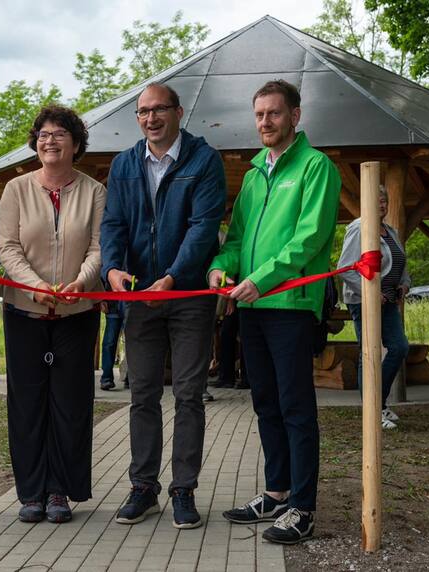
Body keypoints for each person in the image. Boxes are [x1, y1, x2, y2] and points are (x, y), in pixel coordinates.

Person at [209, 80, 341, 544]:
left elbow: (308, 239)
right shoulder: (250, 175)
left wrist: (260, 279)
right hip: (251, 305)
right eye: (260, 114)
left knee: (295, 407)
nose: (265, 122)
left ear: (295, 117)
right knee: (264, 402)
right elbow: (237, 236)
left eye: (275, 114)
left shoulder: (316, 167)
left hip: (289, 306)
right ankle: (277, 492)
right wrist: (220, 268)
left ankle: (303, 508)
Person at [101, 83, 225, 529]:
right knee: (142, 394)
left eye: (159, 110)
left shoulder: (203, 160)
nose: (151, 118)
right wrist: (112, 269)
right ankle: (143, 487)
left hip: (188, 295)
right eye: (143, 112)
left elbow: (203, 228)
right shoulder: (124, 164)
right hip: (139, 297)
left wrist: (171, 277)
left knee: (189, 394)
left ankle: (183, 490)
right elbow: (113, 223)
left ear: (178, 111)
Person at [0, 105, 106, 523]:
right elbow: (7, 246)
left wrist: (82, 280)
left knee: (71, 402)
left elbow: (99, 245)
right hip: (24, 310)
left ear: (76, 143)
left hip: (78, 310)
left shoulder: (95, 191)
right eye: (43, 133)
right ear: (35, 142)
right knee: (26, 403)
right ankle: (31, 492)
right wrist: (35, 287)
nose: (50, 140)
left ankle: (61, 490)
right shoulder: (15, 190)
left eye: (60, 133)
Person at [337, 186, 411, 429]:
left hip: (389, 300)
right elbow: (346, 268)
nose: (381, 205)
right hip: (363, 301)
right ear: (366, 203)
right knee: (368, 354)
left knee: (399, 347)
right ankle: (372, 411)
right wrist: (369, 292)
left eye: (384, 201)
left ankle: (378, 402)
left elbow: (401, 262)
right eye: (376, 201)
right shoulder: (359, 228)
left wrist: (404, 283)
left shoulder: (391, 230)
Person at [100, 301, 125, 390]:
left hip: (132, 305)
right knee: (109, 343)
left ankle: (132, 378)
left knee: (133, 343)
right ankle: (106, 378)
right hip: (113, 305)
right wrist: (103, 299)